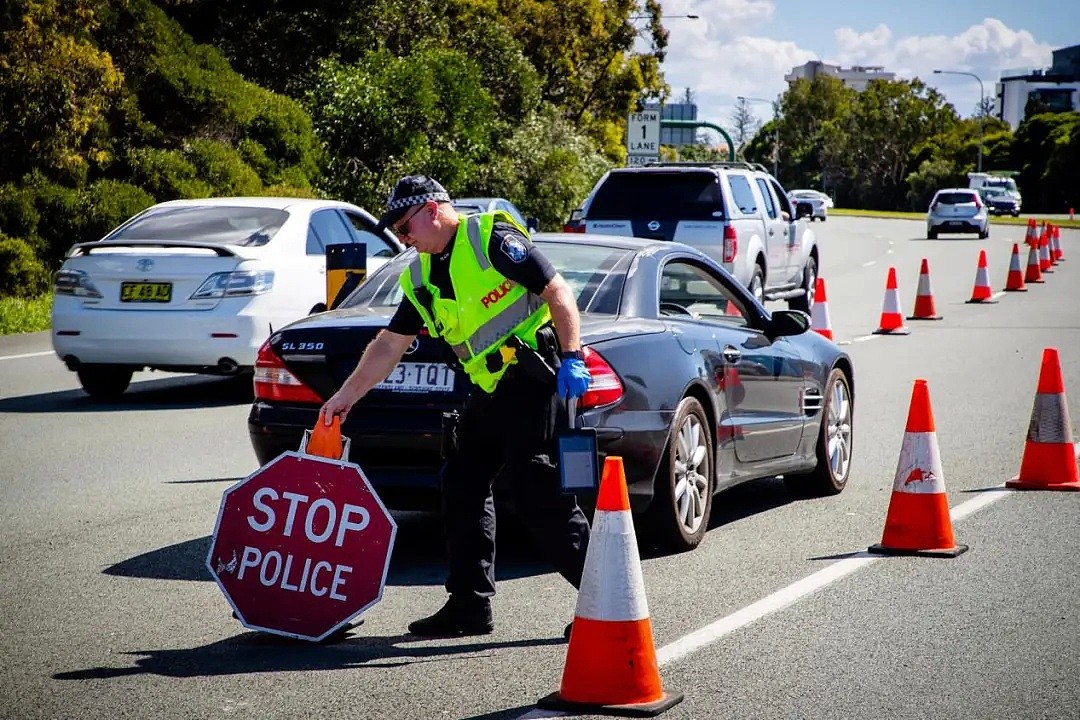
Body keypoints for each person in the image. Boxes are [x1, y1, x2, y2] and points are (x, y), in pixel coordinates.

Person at [320, 175, 593, 637]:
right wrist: (345, 398)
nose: (404, 240)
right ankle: (469, 605)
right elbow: (389, 344)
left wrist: (572, 356)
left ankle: (604, 601)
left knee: (537, 492)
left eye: (405, 228)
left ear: (431, 210)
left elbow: (558, 292)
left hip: (533, 379)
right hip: (488, 391)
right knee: (461, 481)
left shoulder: (492, 238)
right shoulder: (422, 274)